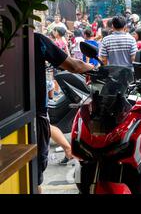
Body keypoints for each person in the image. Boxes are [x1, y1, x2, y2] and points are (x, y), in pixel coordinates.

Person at [34, 32, 93, 193]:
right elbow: (74, 66)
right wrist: (93, 68)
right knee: (34, 177)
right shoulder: (36, 40)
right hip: (34, 114)